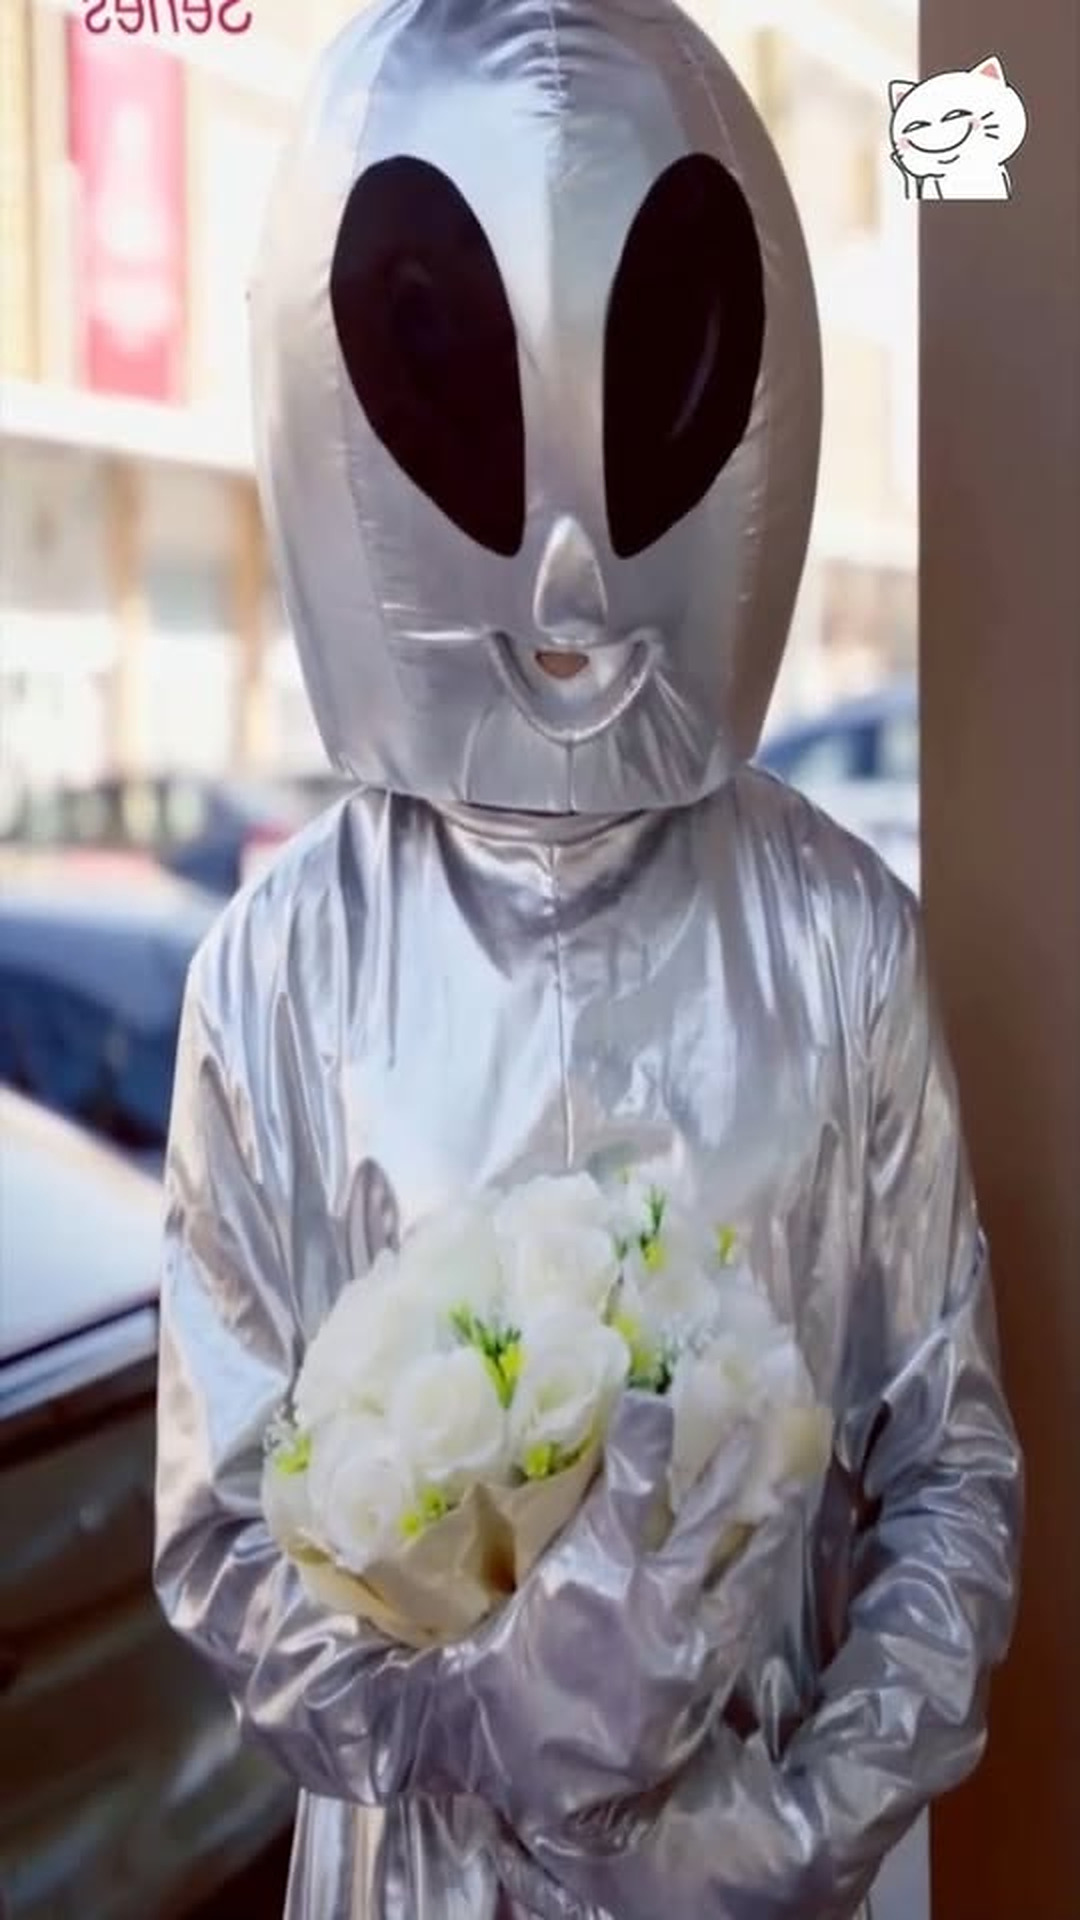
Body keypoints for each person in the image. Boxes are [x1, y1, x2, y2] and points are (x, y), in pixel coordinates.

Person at [154, 5, 1022, 1916]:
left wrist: (789, 1834)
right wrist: (475, 1726)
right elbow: (223, 1536)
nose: (564, 580)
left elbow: (951, 1470)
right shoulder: (280, 971)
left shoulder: (835, 940)